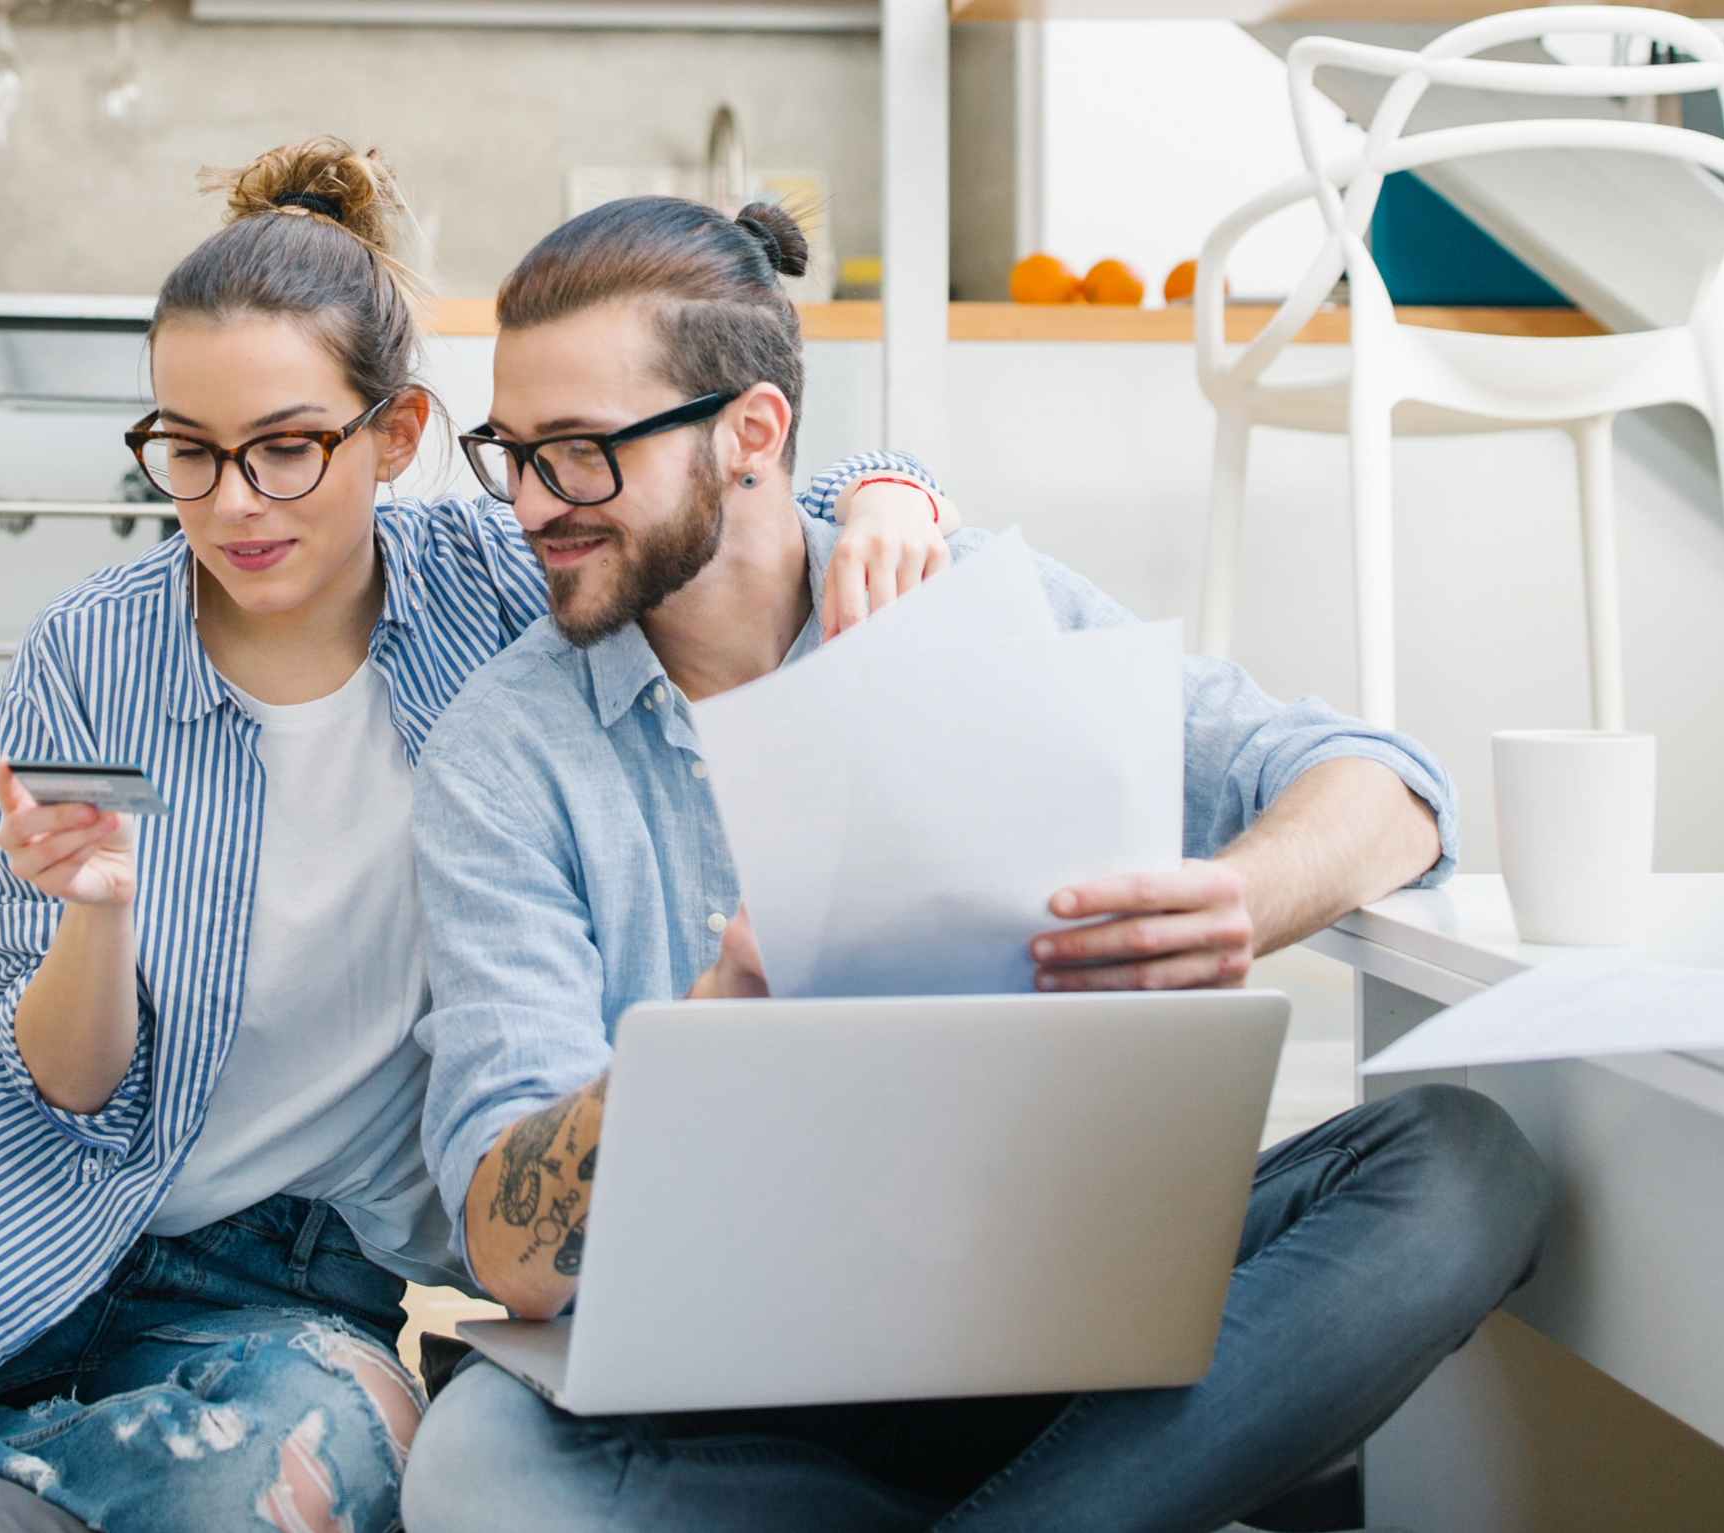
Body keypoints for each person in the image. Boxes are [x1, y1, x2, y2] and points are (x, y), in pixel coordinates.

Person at [0, 140, 949, 1533]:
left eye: (286, 446)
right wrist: (98, 918)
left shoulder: (499, 585)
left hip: (297, 1278)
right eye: (184, 451)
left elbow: (711, 507)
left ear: (395, 433)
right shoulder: (96, 648)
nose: (232, 502)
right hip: (5, 1200)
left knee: (305, 1482)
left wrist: (887, 489)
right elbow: (54, 1082)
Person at [396, 193, 1555, 1533]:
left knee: (1462, 1161)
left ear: (752, 433)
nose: (535, 503)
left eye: (582, 454)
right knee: (479, 1471)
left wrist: (1238, 898)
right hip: (721, 1385)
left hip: (1055, 1310)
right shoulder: (499, 754)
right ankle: (1120, 1504)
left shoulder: (973, 604)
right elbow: (504, 1242)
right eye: (513, 452)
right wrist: (707, 1033)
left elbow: (1387, 785)